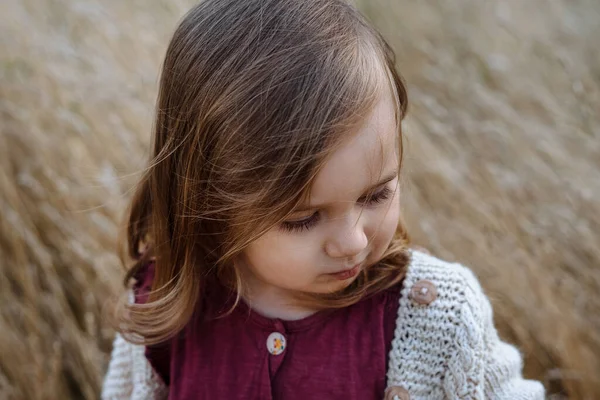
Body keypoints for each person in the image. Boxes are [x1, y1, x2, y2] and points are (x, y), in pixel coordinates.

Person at [101, 0, 545, 399]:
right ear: (210, 205)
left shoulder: (440, 318)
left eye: (377, 194)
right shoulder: (165, 309)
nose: (352, 242)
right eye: (303, 218)